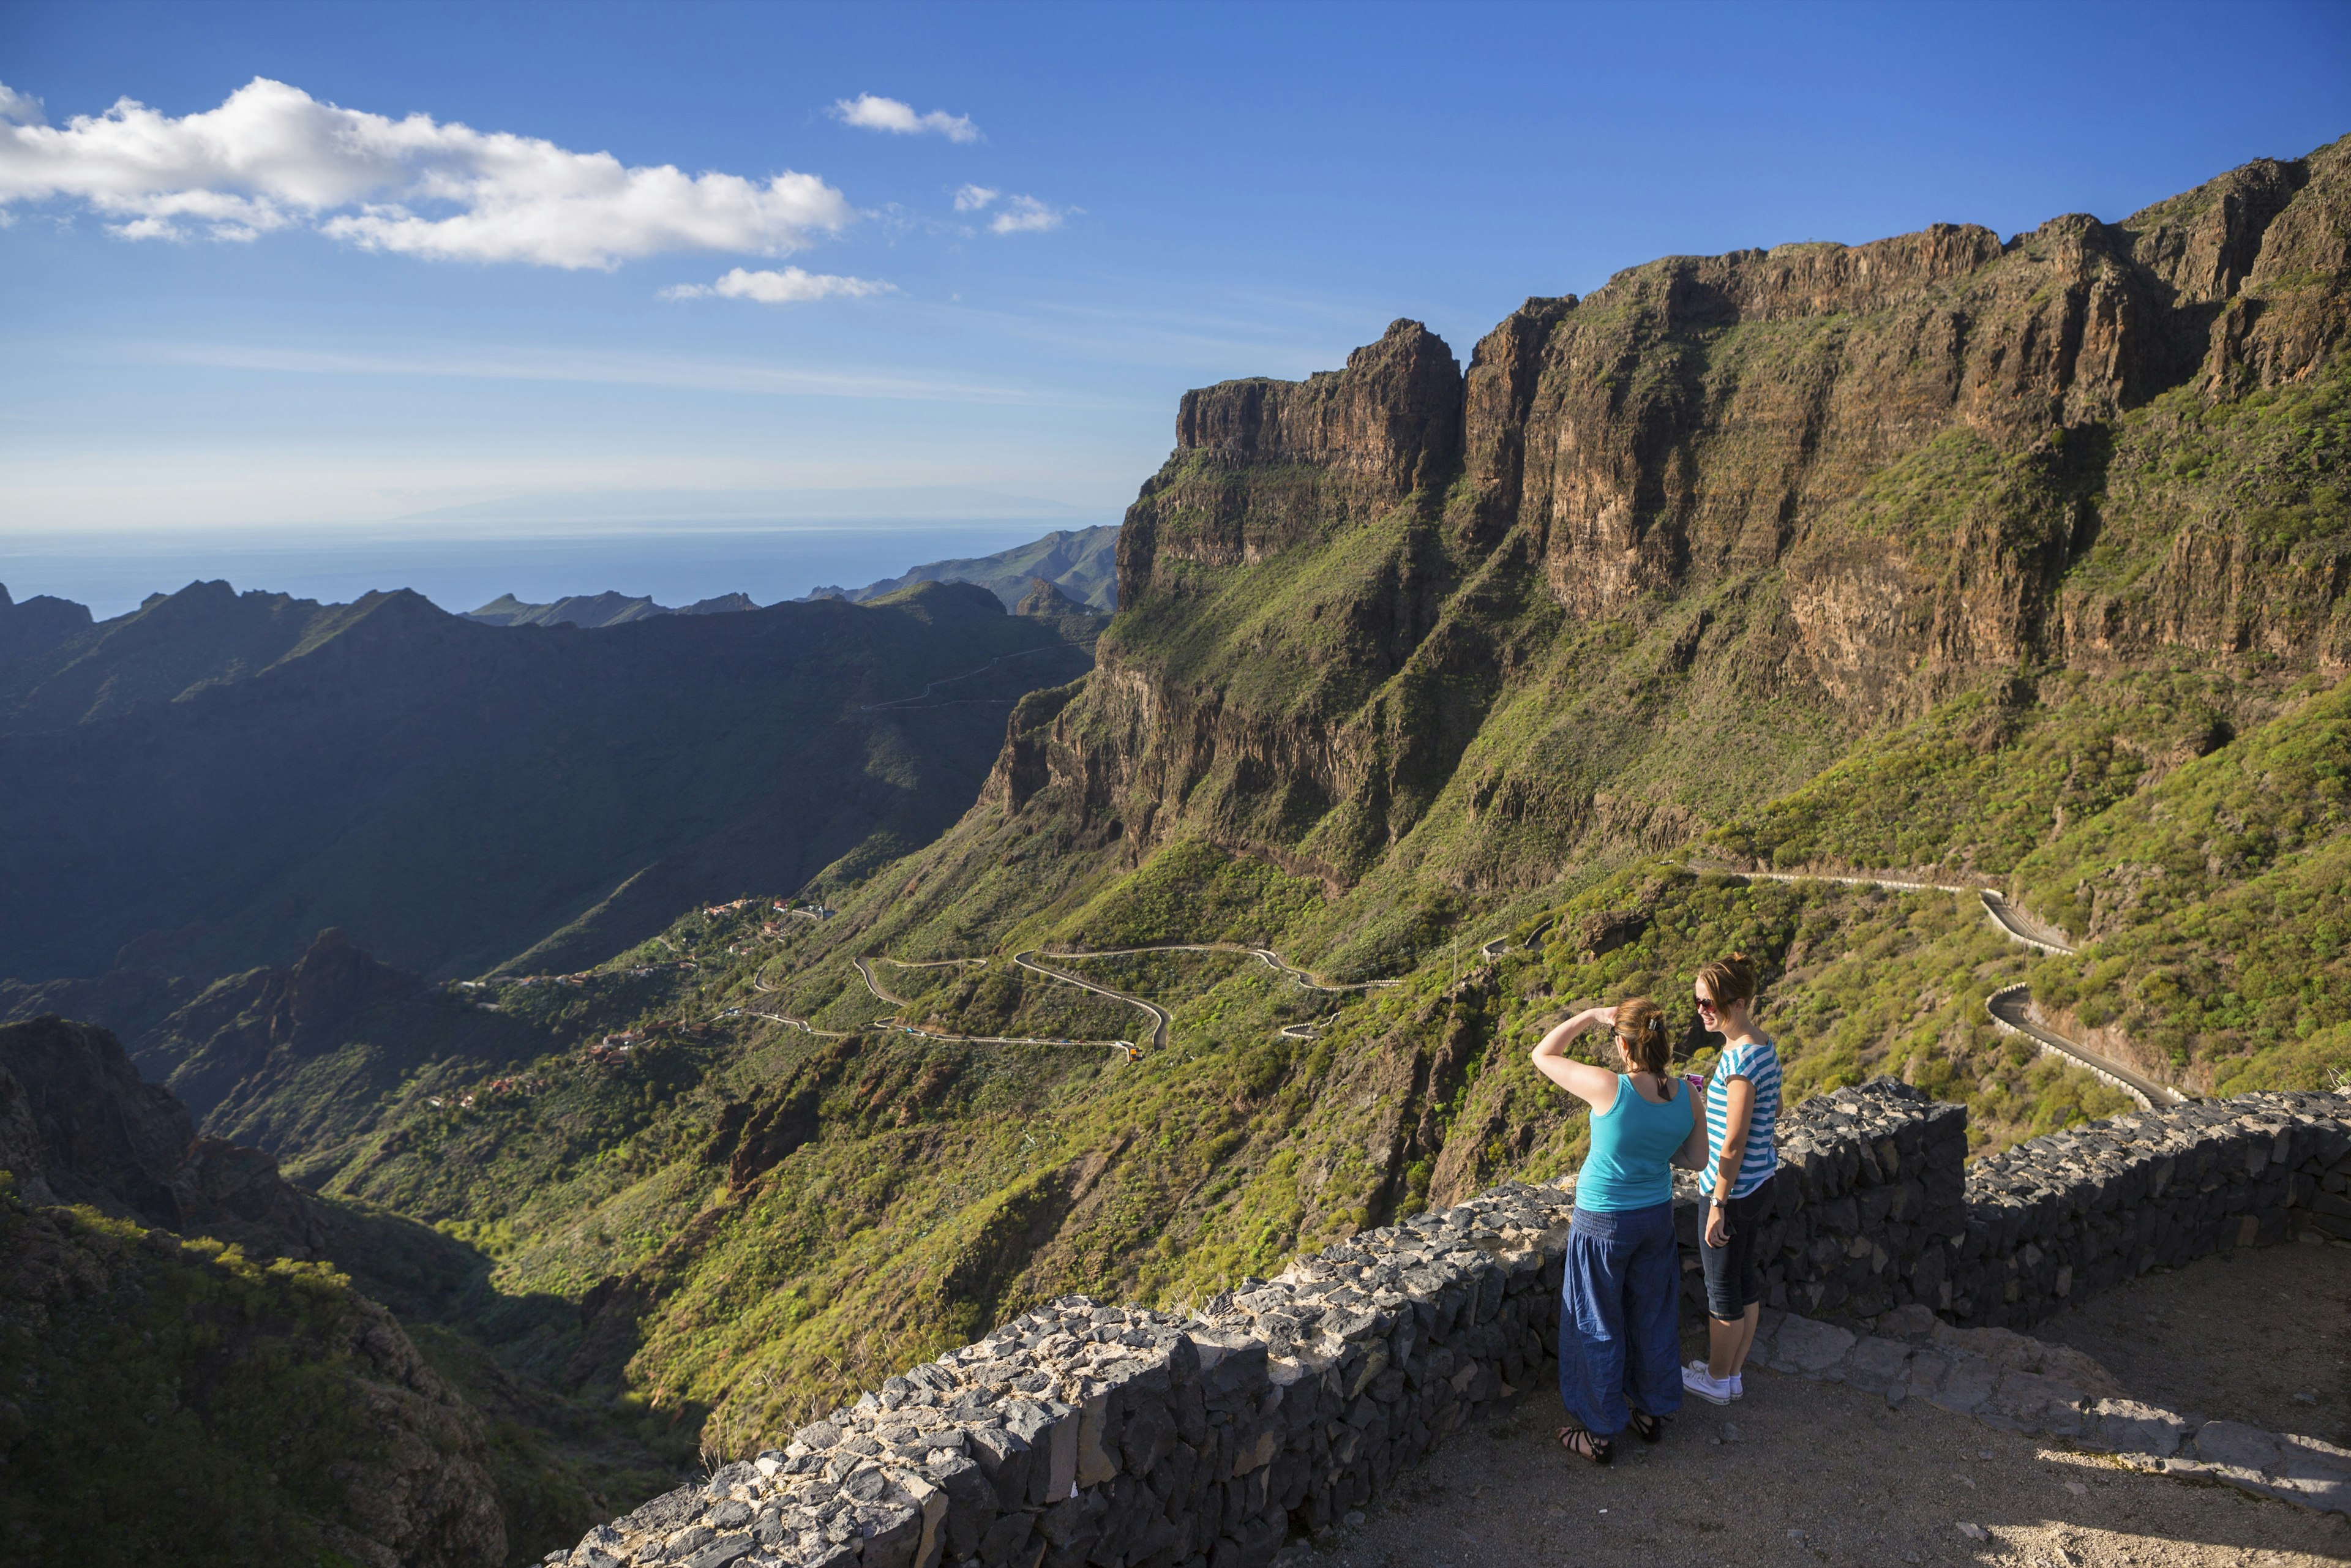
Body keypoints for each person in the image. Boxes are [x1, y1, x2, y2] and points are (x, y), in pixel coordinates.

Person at [1531, 997, 1710, 1463]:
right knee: (1651, 1315)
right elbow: (1696, 1159)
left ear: (1624, 1043)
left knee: (1597, 1322)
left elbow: (1543, 1054)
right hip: (1655, 1217)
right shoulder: (1687, 1094)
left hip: (1603, 1222)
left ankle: (1600, 1431)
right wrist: (1653, 1148)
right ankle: (1652, 1412)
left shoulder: (1610, 1087)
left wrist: (1591, 1015)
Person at [1682, 953, 1783, 1406]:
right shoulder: (1762, 1045)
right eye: (1700, 1002)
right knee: (1743, 1280)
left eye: (1710, 1002)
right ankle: (1733, 1374)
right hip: (1758, 1183)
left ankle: (1718, 1380)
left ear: (1738, 1002)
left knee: (1722, 1288)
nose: (1702, 1009)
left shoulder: (1740, 1060)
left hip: (1732, 1191)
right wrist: (1715, 1098)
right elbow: (1774, 1109)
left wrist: (1718, 1203)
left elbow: (1732, 1145)